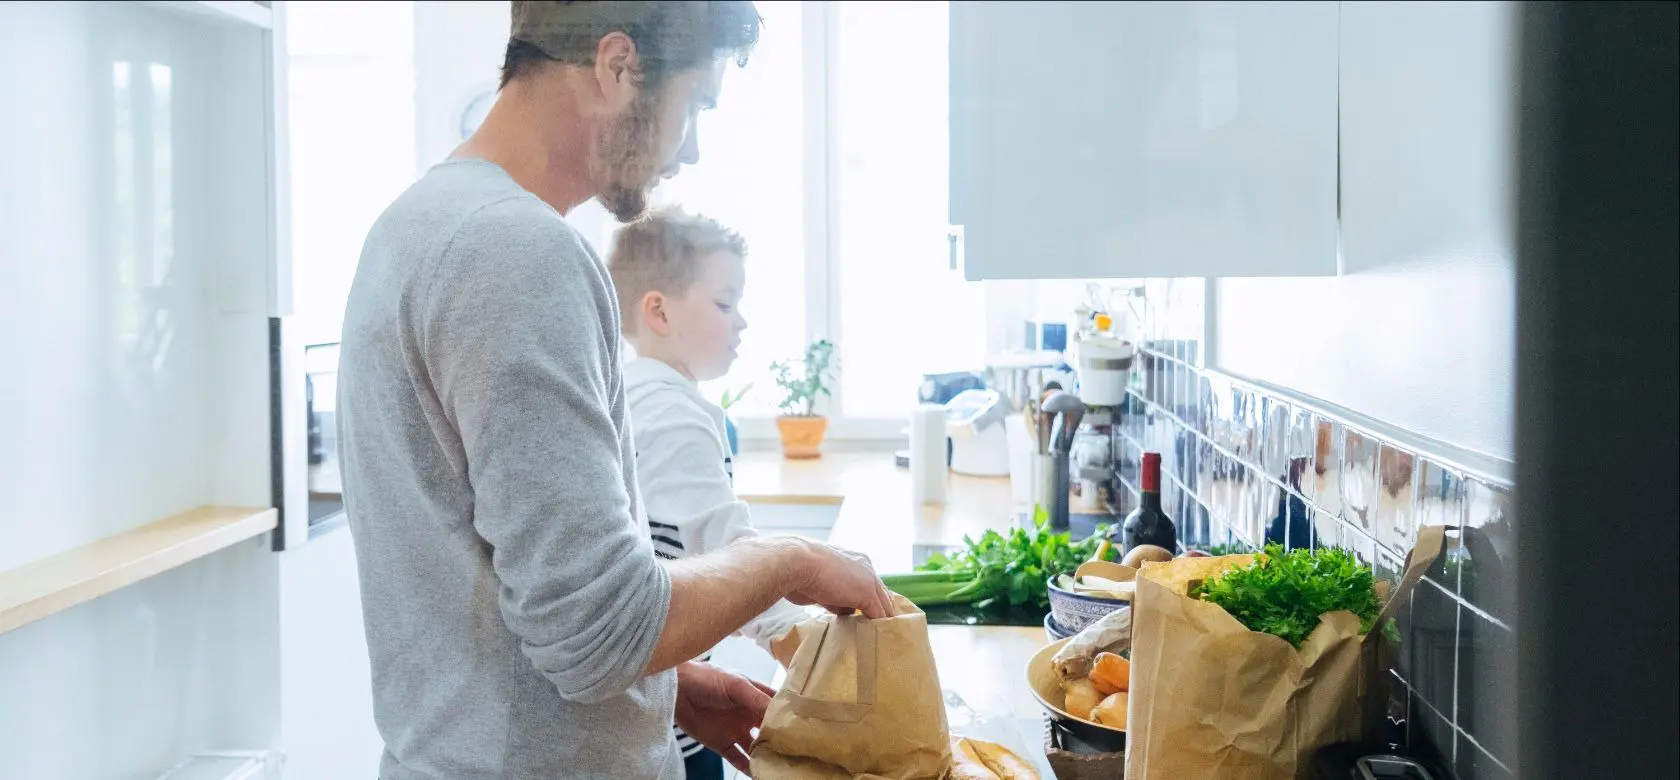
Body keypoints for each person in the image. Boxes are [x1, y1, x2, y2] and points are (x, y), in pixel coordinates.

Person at [335, 3, 893, 779]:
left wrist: (666, 691)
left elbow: (504, 589)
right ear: (616, 65)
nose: (690, 148)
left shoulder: (413, 226)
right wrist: (789, 559)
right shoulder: (519, 252)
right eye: (693, 105)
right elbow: (601, 632)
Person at [608, 208, 813, 779]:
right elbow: (724, 549)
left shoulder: (628, 395)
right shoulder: (675, 415)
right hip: (677, 724)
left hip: (657, 695)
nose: (741, 322)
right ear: (659, 310)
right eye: (725, 303)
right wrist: (803, 646)